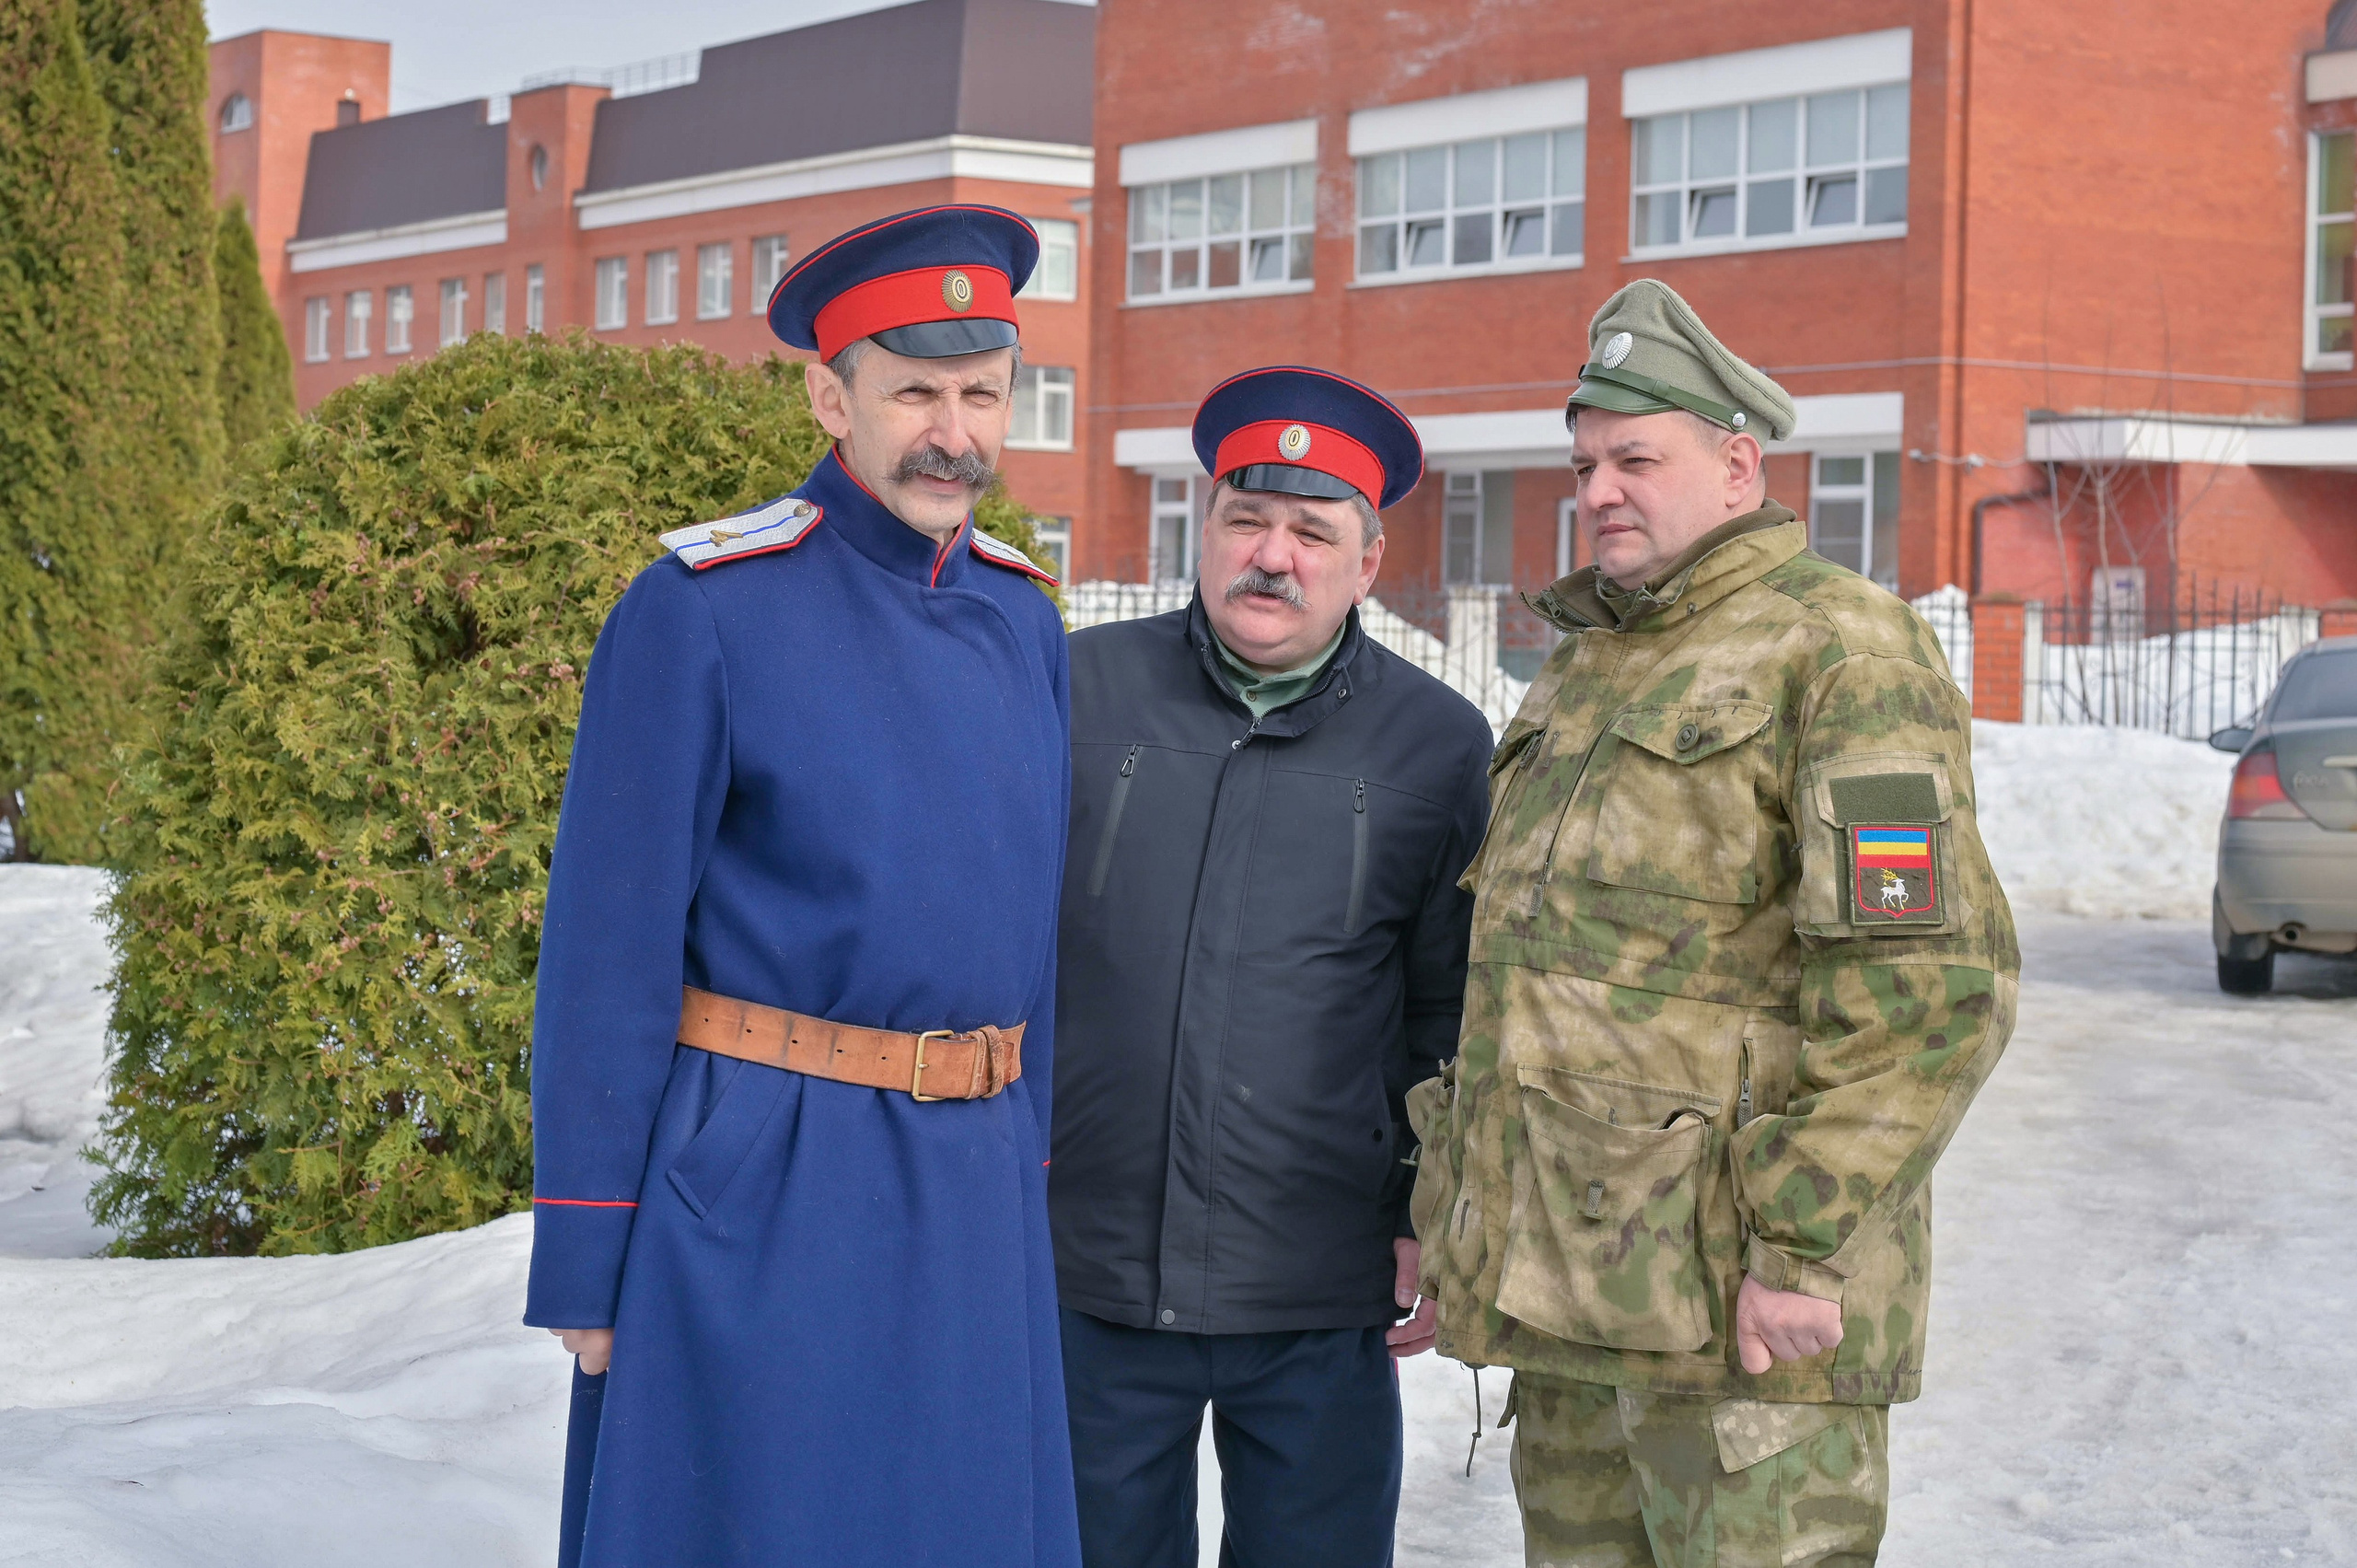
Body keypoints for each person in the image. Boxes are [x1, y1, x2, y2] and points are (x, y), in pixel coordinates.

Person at [1409, 280, 2017, 1567]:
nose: (1602, 490)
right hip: (1571, 1289)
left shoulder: (1844, 654)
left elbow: (1929, 1000)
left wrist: (1801, 1249)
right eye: (1586, 464)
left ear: (1739, 466)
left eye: (1639, 458)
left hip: (1738, 1315)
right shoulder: (1585, 664)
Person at [523, 204, 1080, 1568]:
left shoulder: (1024, 614)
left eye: (983, 393)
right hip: (767, 1181)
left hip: (973, 1191)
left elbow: (1033, 933)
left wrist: (1028, 1162)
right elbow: (606, 950)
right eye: (914, 393)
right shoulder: (704, 605)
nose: (954, 431)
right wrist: (589, 1257)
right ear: (832, 396)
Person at [1052, 366, 1494, 1567]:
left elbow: (1450, 1010)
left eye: (1312, 530)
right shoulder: (1077, 692)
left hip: (1317, 1288)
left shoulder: (1439, 746)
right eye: (1247, 518)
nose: (1273, 554)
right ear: (1206, 530)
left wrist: (1429, 1211)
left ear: (1369, 558)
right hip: (1084, 1275)